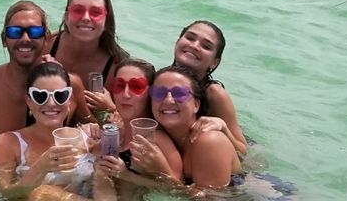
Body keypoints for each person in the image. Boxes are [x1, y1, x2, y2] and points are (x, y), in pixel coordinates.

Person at [0, 62, 116, 200]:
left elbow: (105, 187)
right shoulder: (8, 143)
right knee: (41, 192)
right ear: (28, 101)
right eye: (40, 96)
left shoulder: (89, 138)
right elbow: (5, 193)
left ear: (69, 101)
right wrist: (40, 168)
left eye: (60, 96)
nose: (50, 103)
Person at [0, 1, 94, 137]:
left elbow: (91, 126)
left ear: (46, 38)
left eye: (34, 32)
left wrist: (109, 110)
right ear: (4, 39)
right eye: (15, 32)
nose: (25, 38)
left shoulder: (70, 86)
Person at [97, 59, 182, 195]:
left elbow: (178, 191)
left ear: (150, 94)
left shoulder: (157, 140)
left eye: (136, 87)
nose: (125, 94)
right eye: (119, 85)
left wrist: (126, 175)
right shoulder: (115, 130)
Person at [48, 0, 129, 118]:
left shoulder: (116, 67)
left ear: (106, 23)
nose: (86, 18)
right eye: (78, 10)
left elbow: (126, 121)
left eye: (96, 12)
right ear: (66, 17)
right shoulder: (48, 44)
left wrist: (112, 109)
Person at [152, 65, 240, 188]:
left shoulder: (210, 141)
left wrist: (162, 171)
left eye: (179, 93)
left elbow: (209, 198)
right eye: (159, 93)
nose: (168, 100)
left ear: (196, 105)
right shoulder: (156, 135)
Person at [172, 21, 248, 154]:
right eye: (190, 38)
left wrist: (223, 127)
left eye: (206, 46)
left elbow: (243, 152)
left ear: (214, 62)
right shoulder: (160, 81)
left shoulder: (214, 94)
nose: (194, 46)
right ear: (177, 42)